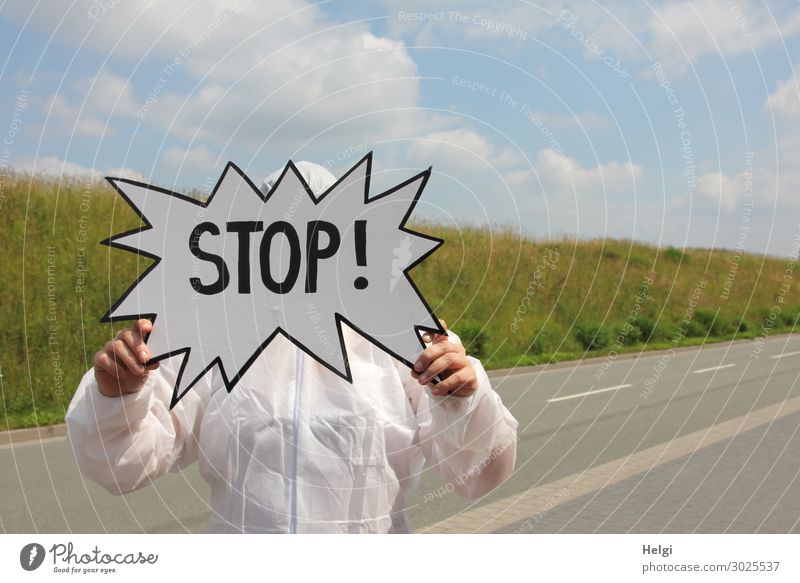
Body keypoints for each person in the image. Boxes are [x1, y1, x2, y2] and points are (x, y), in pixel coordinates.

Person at [65, 162, 518, 533]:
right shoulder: (207, 335)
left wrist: (464, 397)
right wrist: (118, 395)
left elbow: (478, 474)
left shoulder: (405, 338)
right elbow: (123, 468)